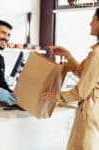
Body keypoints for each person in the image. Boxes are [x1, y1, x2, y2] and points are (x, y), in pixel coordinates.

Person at [44, 8, 99, 150]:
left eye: (93, 19)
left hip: (89, 113)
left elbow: (81, 92)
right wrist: (68, 55)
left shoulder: (97, 54)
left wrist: (55, 96)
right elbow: (84, 73)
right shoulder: (96, 52)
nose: (90, 23)